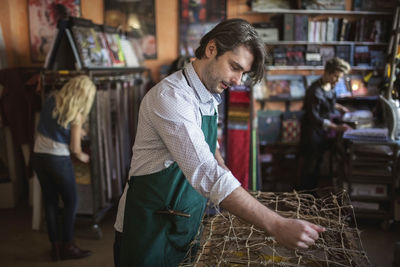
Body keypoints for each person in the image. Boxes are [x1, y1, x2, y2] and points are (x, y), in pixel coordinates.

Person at [113, 18, 325, 267]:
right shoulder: (171, 97)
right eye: (235, 67)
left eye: (243, 73)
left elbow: (209, 149)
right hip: (147, 230)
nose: (238, 81)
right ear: (211, 49)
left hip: (183, 225)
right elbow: (205, 171)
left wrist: (227, 174)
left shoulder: (209, 93)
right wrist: (276, 224)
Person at [32, 75, 96, 261]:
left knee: (50, 202)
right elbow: (75, 149)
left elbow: (55, 126)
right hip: (58, 160)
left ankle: (56, 248)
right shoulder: (76, 113)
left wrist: (77, 131)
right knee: (71, 202)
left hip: (38, 156)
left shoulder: (53, 97)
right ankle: (68, 245)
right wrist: (83, 156)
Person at [299, 57, 352, 191]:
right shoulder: (314, 91)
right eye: (336, 76)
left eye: (340, 77)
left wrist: (340, 108)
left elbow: (330, 102)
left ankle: (312, 193)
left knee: (318, 163)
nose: (338, 80)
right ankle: (304, 196)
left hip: (321, 131)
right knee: (310, 166)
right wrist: (336, 127)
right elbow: (314, 117)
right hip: (311, 131)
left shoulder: (330, 86)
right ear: (327, 72)